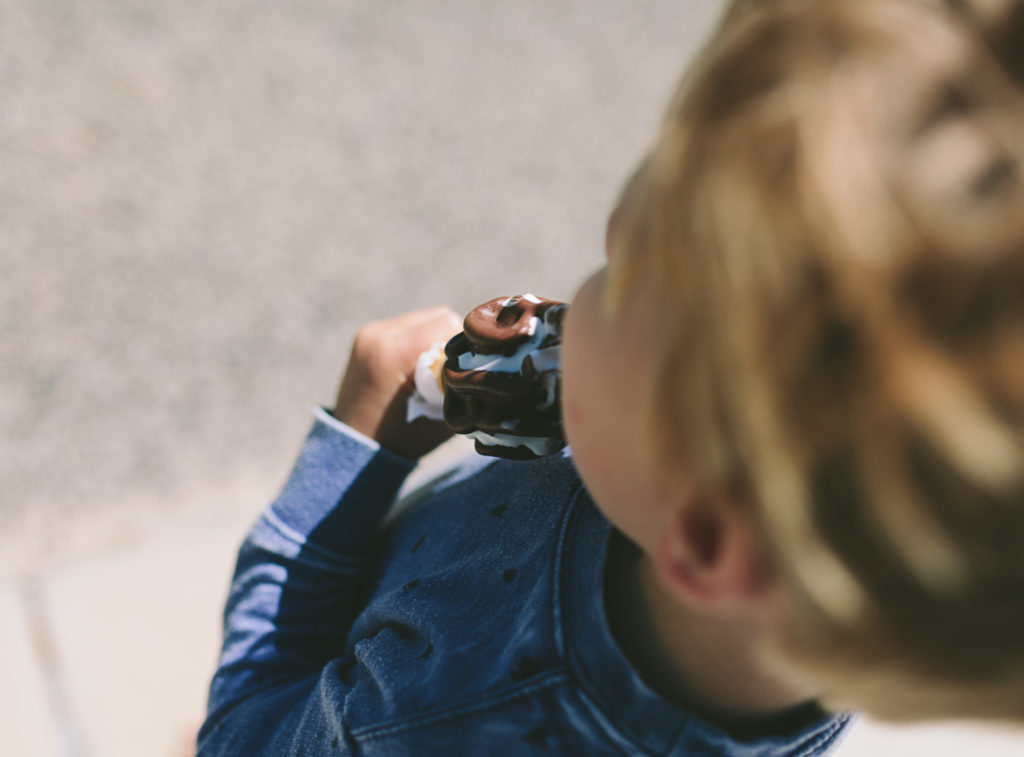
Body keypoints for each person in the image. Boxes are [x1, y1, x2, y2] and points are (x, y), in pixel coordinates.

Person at [197, 0, 1024, 753]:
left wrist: (350, 458)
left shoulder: (449, 706)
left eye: (631, 267)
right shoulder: (777, 557)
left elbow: (242, 739)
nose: (611, 221)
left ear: (705, 538)